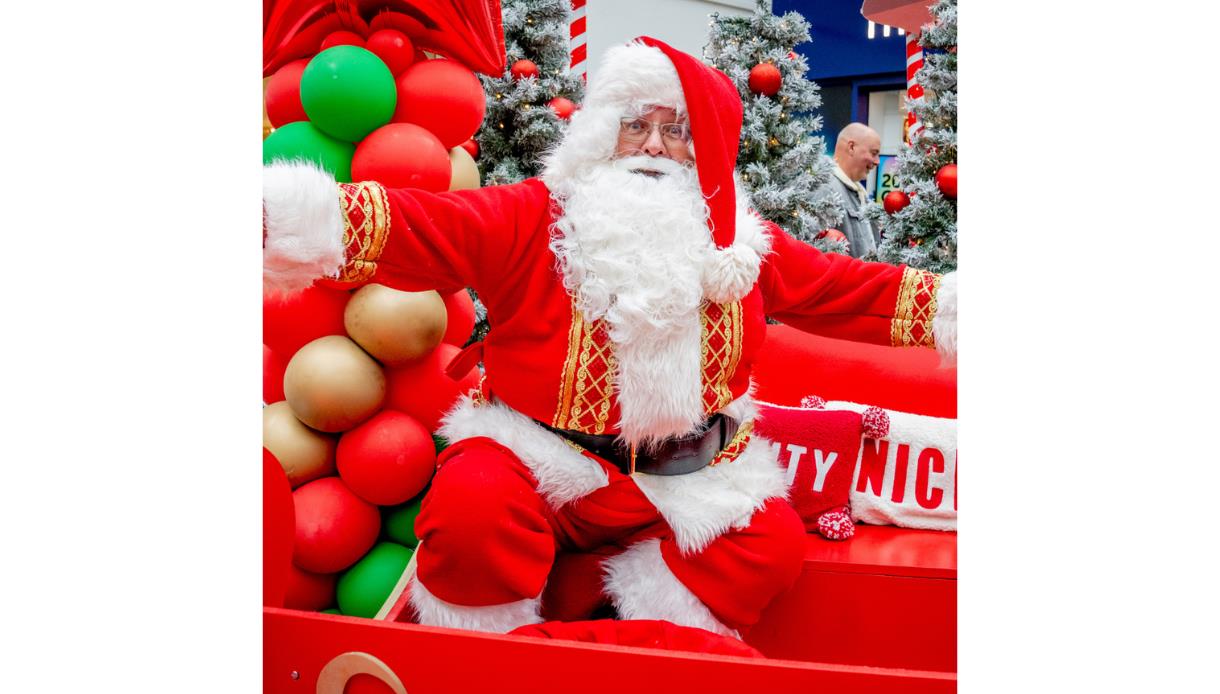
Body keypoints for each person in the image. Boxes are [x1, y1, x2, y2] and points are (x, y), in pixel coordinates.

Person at [263, 37, 956, 638]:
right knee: (473, 503)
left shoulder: (743, 248)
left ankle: (618, 630)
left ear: (705, 149)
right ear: (602, 134)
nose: (653, 145)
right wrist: (290, 216)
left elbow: (848, 290)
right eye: (634, 125)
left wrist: (954, 307)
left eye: (676, 130)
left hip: (685, 475)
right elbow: (428, 225)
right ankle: (490, 656)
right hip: (540, 460)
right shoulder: (534, 217)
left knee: (766, 542)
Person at [825, 122, 883, 258]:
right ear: (851, 147)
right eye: (873, 153)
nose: (877, 161)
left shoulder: (858, 192)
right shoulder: (825, 189)